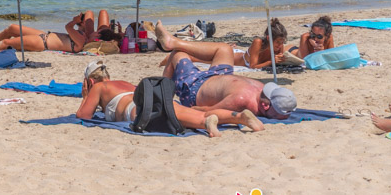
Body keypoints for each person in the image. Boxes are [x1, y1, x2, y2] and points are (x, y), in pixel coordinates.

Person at [77, 61, 264, 136]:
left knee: (196, 117)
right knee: (190, 111)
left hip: (136, 110)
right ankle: (238, 117)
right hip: (151, 98)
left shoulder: (99, 87)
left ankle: (207, 123)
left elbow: (83, 116)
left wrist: (86, 96)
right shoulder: (122, 83)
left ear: (91, 80)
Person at [161, 47, 297, 120]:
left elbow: (209, 111)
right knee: (225, 49)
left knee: (177, 54)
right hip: (218, 77)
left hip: (194, 88)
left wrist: (182, 110)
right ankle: (174, 42)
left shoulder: (241, 101)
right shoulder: (264, 90)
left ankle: (162, 96)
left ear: (265, 105)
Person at [0, 10, 118, 54]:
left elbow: (67, 28)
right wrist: (82, 22)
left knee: (7, 43)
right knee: (12, 28)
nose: (93, 31)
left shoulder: (83, 41)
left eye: (96, 33)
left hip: (42, 43)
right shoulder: (84, 36)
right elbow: (89, 13)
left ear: (97, 38)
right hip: (43, 34)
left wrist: (76, 21)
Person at [154, 19, 288, 70]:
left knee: (200, 58)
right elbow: (253, 66)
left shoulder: (279, 45)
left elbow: (275, 60)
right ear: (269, 38)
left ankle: (174, 49)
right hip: (234, 57)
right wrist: (272, 61)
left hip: (233, 55)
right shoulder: (258, 42)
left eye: (282, 42)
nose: (279, 45)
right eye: (277, 42)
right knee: (200, 57)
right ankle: (172, 49)